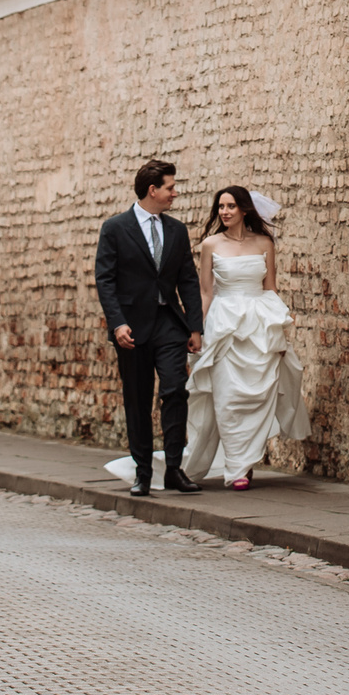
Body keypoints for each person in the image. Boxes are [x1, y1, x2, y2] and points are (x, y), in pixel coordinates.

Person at [182, 186, 307, 491]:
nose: (224, 212)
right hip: (224, 325)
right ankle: (236, 465)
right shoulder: (211, 244)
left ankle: (244, 465)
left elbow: (270, 288)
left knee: (258, 396)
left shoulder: (264, 242)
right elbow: (206, 292)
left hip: (258, 324)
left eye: (231, 206)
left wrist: (279, 328)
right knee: (227, 397)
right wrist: (197, 330)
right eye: (221, 207)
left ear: (244, 210)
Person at [95, 159, 203, 497]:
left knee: (175, 390)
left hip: (169, 324)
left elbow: (188, 280)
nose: (175, 192)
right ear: (152, 190)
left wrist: (195, 326)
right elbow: (105, 280)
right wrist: (117, 324)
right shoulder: (115, 228)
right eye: (170, 187)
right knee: (137, 399)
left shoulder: (176, 230)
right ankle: (142, 472)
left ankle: (173, 468)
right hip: (133, 329)